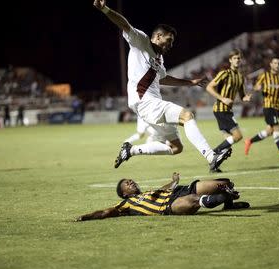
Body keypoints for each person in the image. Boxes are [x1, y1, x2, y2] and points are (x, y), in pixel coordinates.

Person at [93, 0, 231, 173]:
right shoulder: (141, 41)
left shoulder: (159, 59)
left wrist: (190, 83)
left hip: (149, 105)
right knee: (187, 116)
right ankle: (212, 157)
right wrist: (105, 9)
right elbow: (124, 24)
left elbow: (163, 79)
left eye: (172, 43)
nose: (170, 45)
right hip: (145, 101)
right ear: (157, 36)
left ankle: (130, 150)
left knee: (176, 148)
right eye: (168, 40)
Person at [75, 172, 249, 221]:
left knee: (225, 182)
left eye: (131, 180)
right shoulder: (126, 205)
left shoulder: (147, 192)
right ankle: (220, 198)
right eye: (127, 184)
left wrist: (173, 181)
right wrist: (86, 216)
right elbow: (104, 213)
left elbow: (165, 188)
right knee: (196, 201)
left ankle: (228, 201)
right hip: (169, 207)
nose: (132, 183)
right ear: (124, 193)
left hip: (179, 190)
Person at [205, 49, 252, 172]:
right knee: (238, 136)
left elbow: (242, 95)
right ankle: (213, 153)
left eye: (239, 58)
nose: (237, 60)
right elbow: (209, 87)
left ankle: (214, 166)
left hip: (227, 111)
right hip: (221, 109)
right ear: (230, 60)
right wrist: (222, 98)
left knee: (228, 142)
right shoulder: (224, 73)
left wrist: (245, 98)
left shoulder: (240, 77)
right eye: (235, 58)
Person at [244, 57, 279, 162]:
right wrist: (254, 91)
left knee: (269, 131)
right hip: (268, 106)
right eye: (275, 63)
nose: (277, 65)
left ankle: (249, 141)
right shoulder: (264, 76)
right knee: (277, 128)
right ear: (271, 64)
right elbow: (256, 86)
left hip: (277, 108)